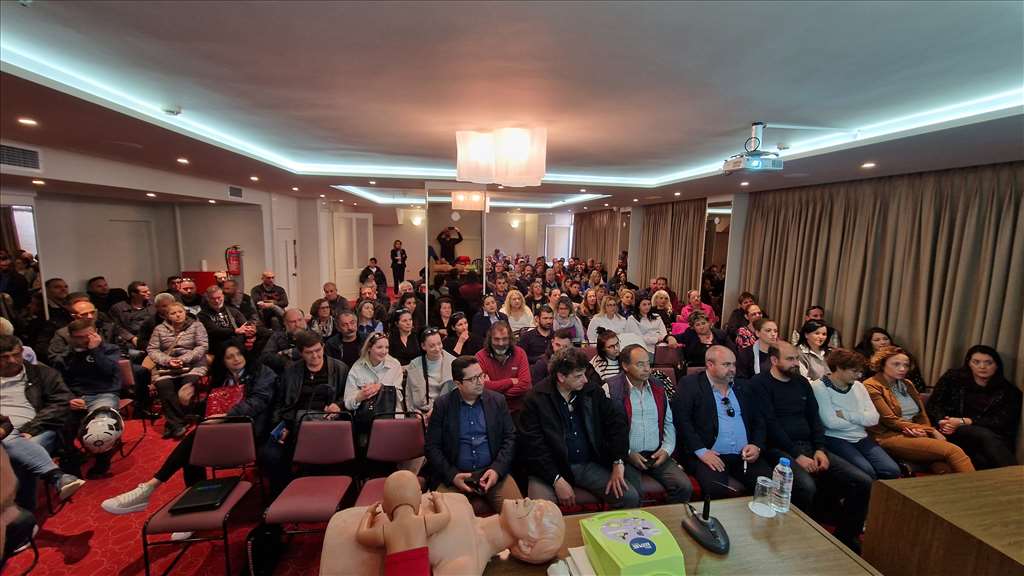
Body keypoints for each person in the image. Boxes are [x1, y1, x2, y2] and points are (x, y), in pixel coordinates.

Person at [101, 344, 276, 515]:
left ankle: (151, 488)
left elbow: (258, 402)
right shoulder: (222, 377)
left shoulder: (261, 373)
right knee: (193, 449)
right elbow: (210, 407)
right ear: (222, 361)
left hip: (250, 430)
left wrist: (226, 415)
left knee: (197, 438)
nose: (236, 359)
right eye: (229, 357)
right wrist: (188, 403)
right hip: (222, 430)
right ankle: (193, 503)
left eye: (239, 354)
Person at [753, 342, 871, 551]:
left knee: (862, 481)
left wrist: (820, 449)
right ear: (774, 360)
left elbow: (814, 418)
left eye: (797, 358)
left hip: (809, 446)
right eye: (790, 359)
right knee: (806, 486)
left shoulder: (801, 382)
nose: (795, 363)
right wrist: (797, 455)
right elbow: (770, 425)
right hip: (779, 448)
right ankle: (797, 539)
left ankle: (846, 537)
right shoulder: (760, 383)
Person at [520, 347, 638, 509]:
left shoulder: (591, 391)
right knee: (541, 510)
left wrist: (618, 460)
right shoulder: (535, 399)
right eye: (578, 376)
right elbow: (534, 448)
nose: (585, 380)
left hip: (587, 464)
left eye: (584, 374)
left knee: (630, 497)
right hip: (549, 468)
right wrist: (556, 479)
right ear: (561, 377)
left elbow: (616, 423)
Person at [671, 345, 771, 500]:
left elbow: (759, 420)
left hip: (744, 456)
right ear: (710, 365)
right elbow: (682, 421)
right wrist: (701, 452)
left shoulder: (744, 386)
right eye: (726, 365)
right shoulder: (690, 385)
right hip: (710, 454)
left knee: (767, 485)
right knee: (716, 490)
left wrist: (756, 445)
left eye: (734, 364)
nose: (732, 369)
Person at [424, 356, 522, 514]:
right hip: (456, 475)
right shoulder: (443, 405)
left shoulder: (497, 401)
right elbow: (432, 447)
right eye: (473, 379)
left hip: (492, 473)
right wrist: (452, 475)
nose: (480, 381)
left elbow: (510, 438)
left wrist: (497, 470)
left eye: (481, 375)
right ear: (458, 383)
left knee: (519, 516)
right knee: (445, 521)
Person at [0, 335, 85, 508]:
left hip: (39, 428)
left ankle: (23, 511)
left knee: (13, 453)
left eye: (16, 354)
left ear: (22, 352)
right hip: (4, 429)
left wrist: (31, 428)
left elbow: (61, 403)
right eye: (5, 357)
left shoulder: (43, 374)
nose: (12, 360)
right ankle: (57, 477)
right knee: (9, 443)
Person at [863, 346, 974, 474]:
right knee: (954, 451)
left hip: (915, 432)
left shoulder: (907, 383)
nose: (902, 369)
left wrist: (924, 432)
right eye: (896, 364)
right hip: (889, 436)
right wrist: (931, 431)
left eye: (906, 365)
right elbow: (890, 421)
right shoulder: (871, 386)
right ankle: (978, 487)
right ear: (882, 364)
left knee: (943, 467)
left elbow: (921, 414)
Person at [265, 331, 349, 495]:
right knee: (270, 454)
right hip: (296, 422)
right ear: (301, 353)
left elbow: (348, 397)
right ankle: (283, 496)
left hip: (328, 422)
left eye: (318, 350)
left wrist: (339, 405)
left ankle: (323, 490)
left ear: (323, 347)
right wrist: (282, 425)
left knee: (320, 450)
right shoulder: (291, 371)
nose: (315, 355)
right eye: (309, 352)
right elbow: (280, 403)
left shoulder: (340, 368)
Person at [608, 344, 692, 504]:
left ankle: (666, 517)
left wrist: (666, 449)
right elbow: (605, 430)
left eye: (648, 363)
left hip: (655, 453)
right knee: (633, 495)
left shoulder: (658, 386)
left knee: (684, 486)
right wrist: (627, 453)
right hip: (626, 456)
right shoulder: (610, 389)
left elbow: (668, 422)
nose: (647, 369)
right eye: (640, 364)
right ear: (625, 366)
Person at [811, 349, 901, 481]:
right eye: (854, 371)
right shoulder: (819, 386)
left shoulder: (859, 386)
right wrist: (861, 420)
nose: (859, 375)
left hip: (861, 436)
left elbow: (874, 418)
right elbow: (831, 423)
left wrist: (845, 415)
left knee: (892, 470)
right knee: (867, 472)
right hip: (835, 438)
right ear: (839, 368)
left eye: (860, 371)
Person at [927, 345, 1021, 469]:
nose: (982, 367)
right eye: (976, 362)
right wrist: (943, 422)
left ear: (997, 365)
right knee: (982, 435)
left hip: (990, 435)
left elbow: (1001, 421)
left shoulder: (1009, 391)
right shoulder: (953, 378)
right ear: (969, 363)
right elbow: (934, 404)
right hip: (951, 430)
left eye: (988, 363)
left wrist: (965, 421)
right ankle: (1016, 474)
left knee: (983, 453)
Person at [53, 319, 123, 478]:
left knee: (101, 426)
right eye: (80, 337)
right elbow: (58, 383)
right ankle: (72, 462)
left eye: (89, 335)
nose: (85, 339)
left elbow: (108, 372)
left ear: (96, 332)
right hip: (76, 396)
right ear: (71, 337)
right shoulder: (64, 357)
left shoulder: (110, 350)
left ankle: (101, 464)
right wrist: (69, 398)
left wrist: (95, 350)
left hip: (104, 393)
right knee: (57, 422)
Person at [148, 302, 209, 439]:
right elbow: (152, 349)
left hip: (192, 365)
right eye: (173, 313)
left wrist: (183, 359)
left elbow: (202, 346)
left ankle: (172, 424)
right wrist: (168, 361)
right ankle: (177, 424)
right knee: (164, 386)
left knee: (186, 387)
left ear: (185, 312)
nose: (177, 315)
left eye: (180, 312)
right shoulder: (159, 329)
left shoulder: (197, 325)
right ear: (167, 316)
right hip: (166, 368)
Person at [475, 321, 531, 417]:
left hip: (518, 411)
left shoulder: (520, 353)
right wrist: (510, 381)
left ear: (510, 339)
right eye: (496, 339)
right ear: (490, 339)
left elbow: (525, 385)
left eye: (504, 339)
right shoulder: (480, 356)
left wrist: (493, 390)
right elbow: (480, 386)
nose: (500, 343)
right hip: (491, 411)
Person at [343, 332, 405, 415]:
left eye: (387, 347)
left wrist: (381, 388)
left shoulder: (395, 365)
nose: (384, 351)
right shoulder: (357, 367)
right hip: (366, 416)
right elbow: (347, 402)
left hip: (391, 414)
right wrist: (360, 396)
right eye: (379, 347)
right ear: (369, 348)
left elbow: (399, 397)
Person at [854, 327, 928, 392]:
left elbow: (916, 381)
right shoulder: (861, 358)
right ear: (869, 343)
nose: (883, 342)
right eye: (877, 340)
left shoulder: (902, 355)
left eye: (885, 339)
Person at [198, 286, 256, 364]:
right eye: (213, 298)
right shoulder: (202, 315)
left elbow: (245, 323)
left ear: (223, 296)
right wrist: (235, 331)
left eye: (219, 297)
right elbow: (215, 331)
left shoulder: (232, 310)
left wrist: (250, 330)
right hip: (217, 342)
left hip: (236, 339)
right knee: (234, 342)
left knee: (263, 333)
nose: (216, 301)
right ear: (208, 299)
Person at [406, 329, 455, 417]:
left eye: (439, 344)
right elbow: (409, 395)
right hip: (420, 412)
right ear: (423, 346)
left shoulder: (453, 362)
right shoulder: (414, 365)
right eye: (432, 346)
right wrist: (415, 412)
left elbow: (455, 395)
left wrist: (434, 410)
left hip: (446, 410)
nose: (437, 348)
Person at [110, 281, 154, 352]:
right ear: (133, 294)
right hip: (130, 339)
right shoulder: (118, 308)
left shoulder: (153, 305)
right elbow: (115, 326)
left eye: (148, 290)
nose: (149, 293)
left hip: (151, 337)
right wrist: (131, 338)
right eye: (144, 292)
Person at [261, 308, 307, 374]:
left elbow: (312, 353)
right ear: (285, 323)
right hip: (283, 373)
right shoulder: (277, 336)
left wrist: (286, 353)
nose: (297, 324)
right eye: (293, 322)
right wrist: (285, 361)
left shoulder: (312, 335)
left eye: (300, 320)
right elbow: (266, 356)